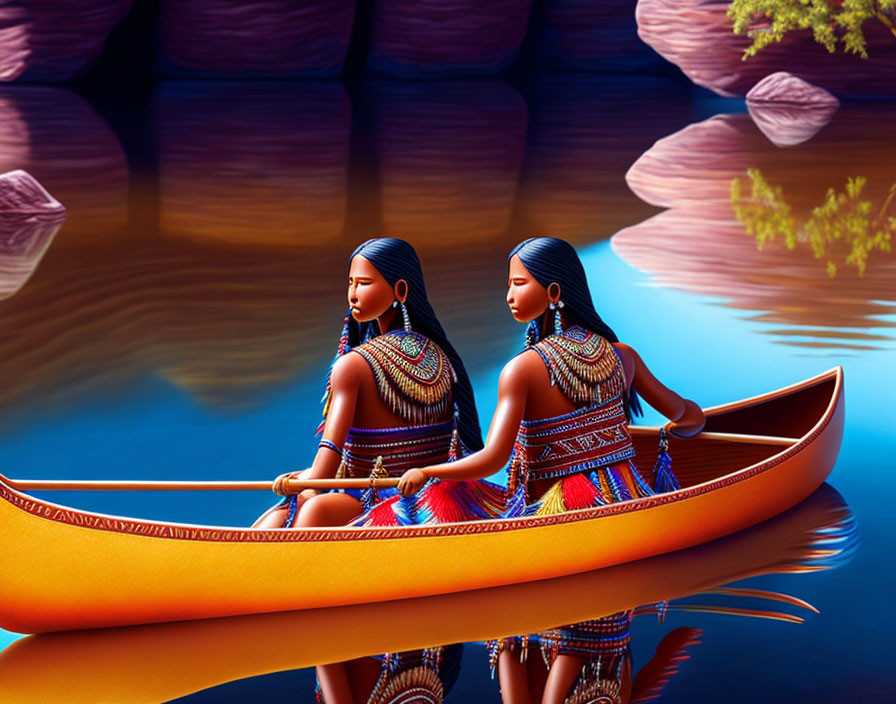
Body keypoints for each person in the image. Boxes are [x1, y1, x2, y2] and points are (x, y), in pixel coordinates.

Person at [394, 236, 705, 703]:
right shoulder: (621, 357)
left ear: (555, 294)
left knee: (512, 651)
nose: (509, 295)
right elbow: (685, 417)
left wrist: (433, 472)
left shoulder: (522, 369)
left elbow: (495, 460)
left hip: (552, 518)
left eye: (519, 283)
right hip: (623, 510)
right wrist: (690, 422)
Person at [253, 237, 495, 703]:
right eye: (350, 283)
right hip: (433, 505)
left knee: (298, 512)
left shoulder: (354, 365)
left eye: (363, 283)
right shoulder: (444, 360)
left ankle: (297, 606)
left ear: (400, 290)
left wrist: (298, 482)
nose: (352, 294)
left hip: (372, 503)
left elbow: (326, 469)